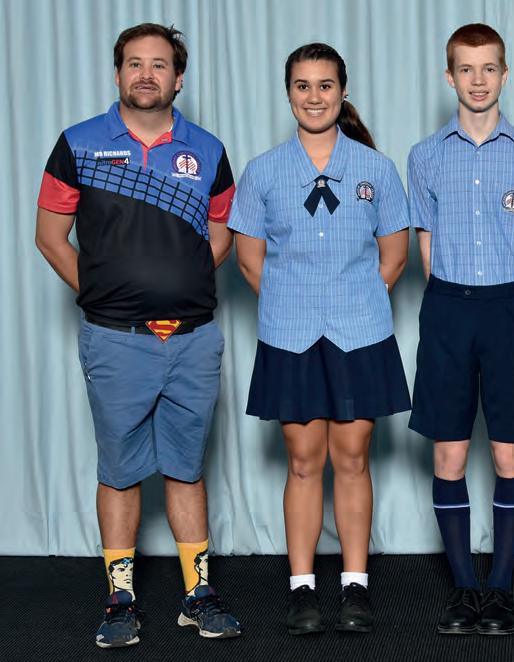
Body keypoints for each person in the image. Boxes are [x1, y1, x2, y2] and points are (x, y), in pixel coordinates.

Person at [35, 23, 241, 647]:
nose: (146, 74)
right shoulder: (78, 144)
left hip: (193, 338)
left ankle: (197, 595)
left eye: (159, 65)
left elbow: (222, 233)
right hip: (114, 338)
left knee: (186, 467)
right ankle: (119, 601)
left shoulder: (208, 149)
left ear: (179, 79)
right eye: (134, 63)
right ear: (117, 73)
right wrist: (105, 293)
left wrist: (179, 286)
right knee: (120, 471)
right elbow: (50, 237)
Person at [229, 43, 411, 635]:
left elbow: (394, 257)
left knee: (352, 459)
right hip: (291, 336)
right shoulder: (263, 172)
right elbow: (250, 261)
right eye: (303, 86)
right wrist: (296, 305)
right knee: (304, 462)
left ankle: (355, 586)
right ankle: (302, 588)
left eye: (325, 85)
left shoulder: (376, 169)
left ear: (342, 91)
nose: (314, 96)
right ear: (289, 94)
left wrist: (350, 303)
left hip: (360, 332)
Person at [407, 23, 514, 636]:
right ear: (449, 77)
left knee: (509, 448)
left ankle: (500, 588)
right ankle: (465, 587)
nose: (477, 80)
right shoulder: (425, 155)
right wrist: (455, 297)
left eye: (488, 68)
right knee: (449, 450)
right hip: (447, 307)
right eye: (465, 69)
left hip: (506, 307)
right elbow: (426, 243)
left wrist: (506, 298)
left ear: (504, 74)